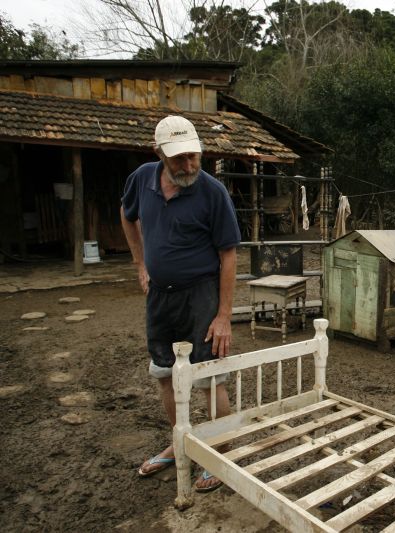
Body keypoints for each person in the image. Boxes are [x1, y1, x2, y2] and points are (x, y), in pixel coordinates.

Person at [120, 115, 241, 493]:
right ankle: (179, 443)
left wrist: (223, 316)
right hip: (160, 296)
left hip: (200, 293)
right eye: (179, 159)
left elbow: (229, 255)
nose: (188, 166)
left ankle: (219, 453)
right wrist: (141, 263)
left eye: (193, 157)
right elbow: (127, 216)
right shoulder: (141, 178)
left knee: (207, 375)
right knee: (165, 372)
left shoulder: (212, 192)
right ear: (158, 153)